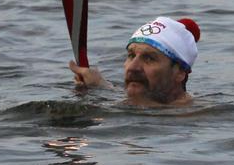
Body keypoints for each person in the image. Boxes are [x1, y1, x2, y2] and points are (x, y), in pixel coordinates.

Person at [70, 17, 200, 107]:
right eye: (131, 55)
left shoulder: (194, 116)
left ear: (180, 73)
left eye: (149, 58)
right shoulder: (144, 99)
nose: (133, 67)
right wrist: (98, 85)